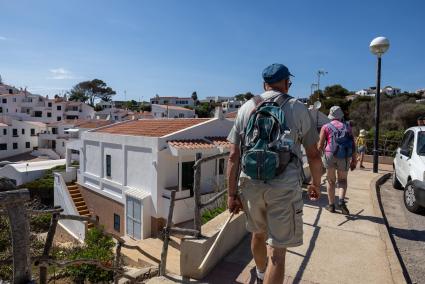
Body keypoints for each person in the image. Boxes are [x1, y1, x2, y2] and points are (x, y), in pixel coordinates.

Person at [226, 63, 323, 284]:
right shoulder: (299, 108)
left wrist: (231, 194)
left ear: (264, 84)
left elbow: (233, 156)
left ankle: (260, 274)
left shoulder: (245, 108)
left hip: (250, 182)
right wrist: (315, 183)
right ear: (287, 83)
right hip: (284, 185)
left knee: (257, 234)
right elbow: (314, 155)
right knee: (278, 254)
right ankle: (267, 274)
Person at [318, 106, 356, 215]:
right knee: (343, 180)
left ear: (331, 115)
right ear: (341, 116)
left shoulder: (325, 127)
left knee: (330, 181)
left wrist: (318, 156)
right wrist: (354, 160)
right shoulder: (347, 127)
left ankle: (331, 205)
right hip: (344, 156)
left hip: (329, 155)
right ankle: (341, 201)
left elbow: (320, 145)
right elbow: (353, 145)